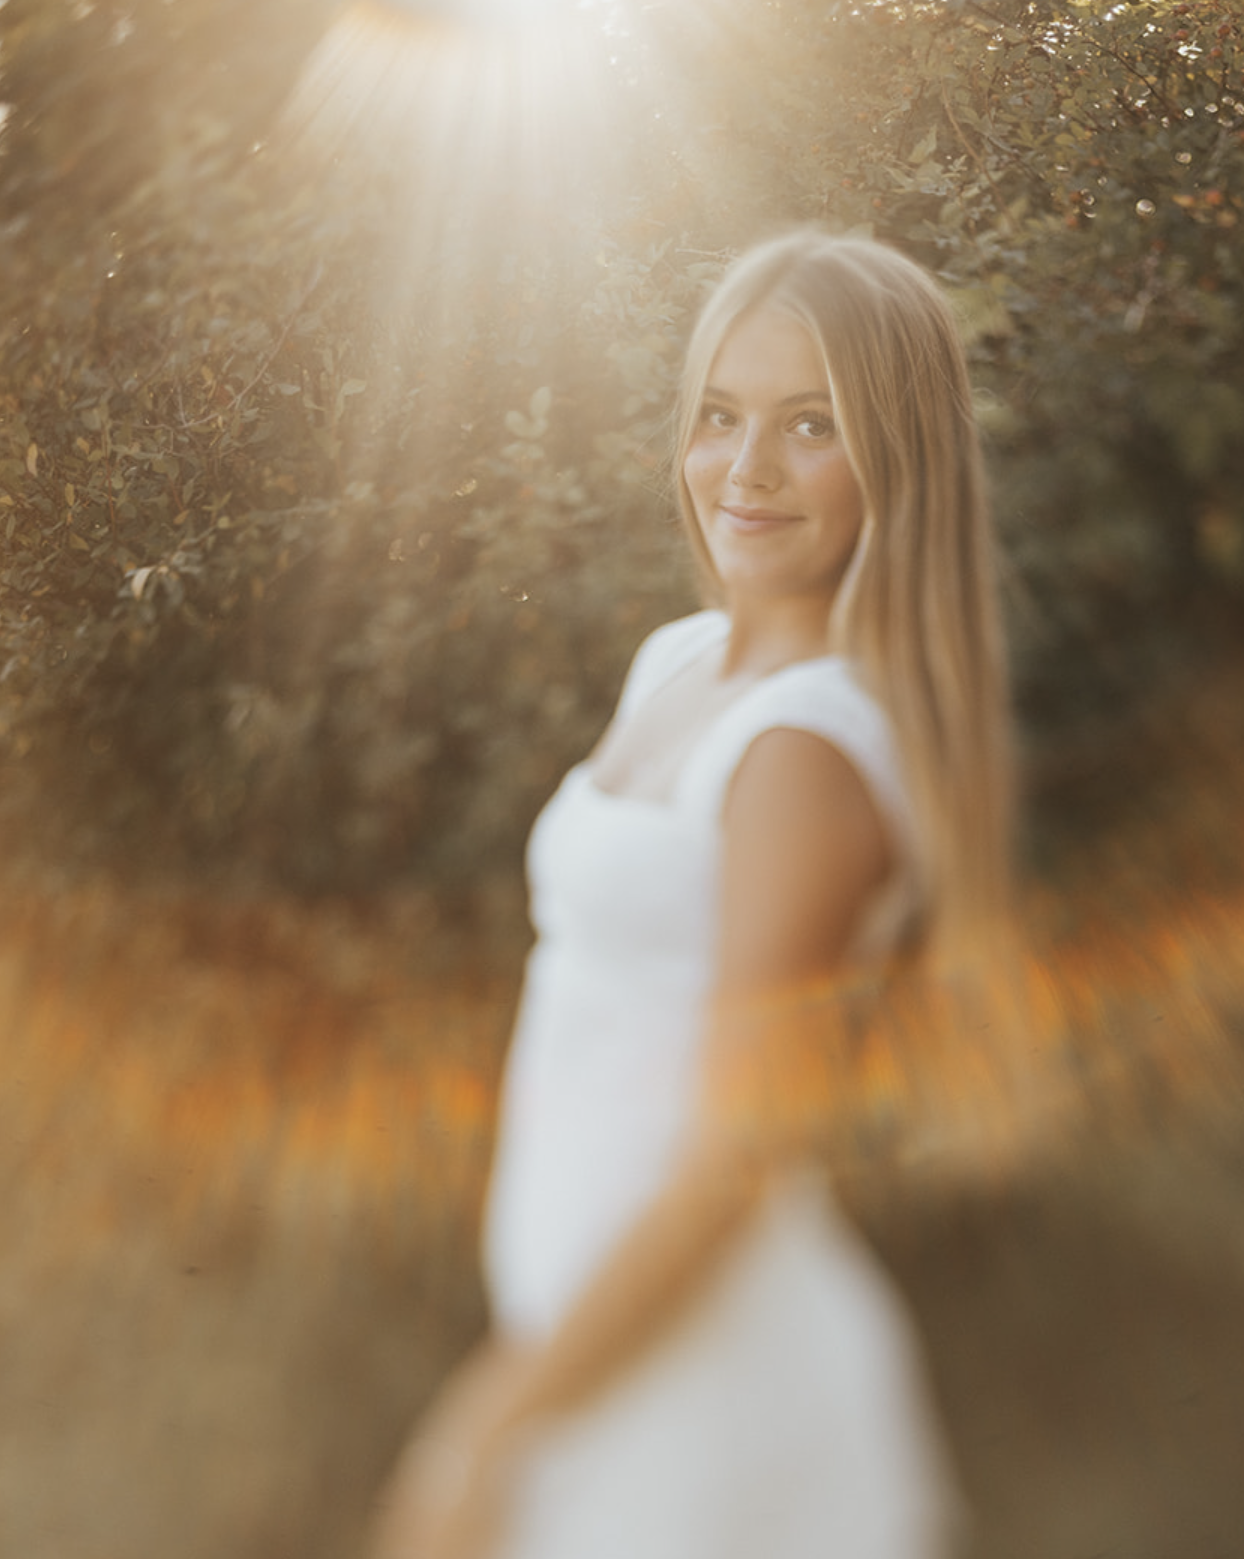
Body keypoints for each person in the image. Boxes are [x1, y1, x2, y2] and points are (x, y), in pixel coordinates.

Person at [372, 230, 1016, 1559]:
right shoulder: (680, 661)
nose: (749, 468)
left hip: (715, 1409)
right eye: (721, 415)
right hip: (607, 1372)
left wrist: (488, 1422)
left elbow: (731, 1160)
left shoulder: (804, 749)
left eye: (811, 426)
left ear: (898, 457)